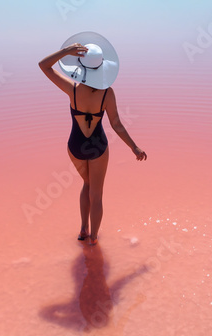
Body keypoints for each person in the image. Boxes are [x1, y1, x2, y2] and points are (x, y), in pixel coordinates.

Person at [38, 31, 147, 245]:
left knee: (86, 184)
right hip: (97, 146)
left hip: (75, 146)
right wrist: (134, 147)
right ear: (102, 68)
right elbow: (116, 124)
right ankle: (94, 239)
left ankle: (82, 230)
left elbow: (43, 65)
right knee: (96, 194)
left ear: (81, 67)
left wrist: (66, 51)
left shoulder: (73, 89)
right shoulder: (108, 93)